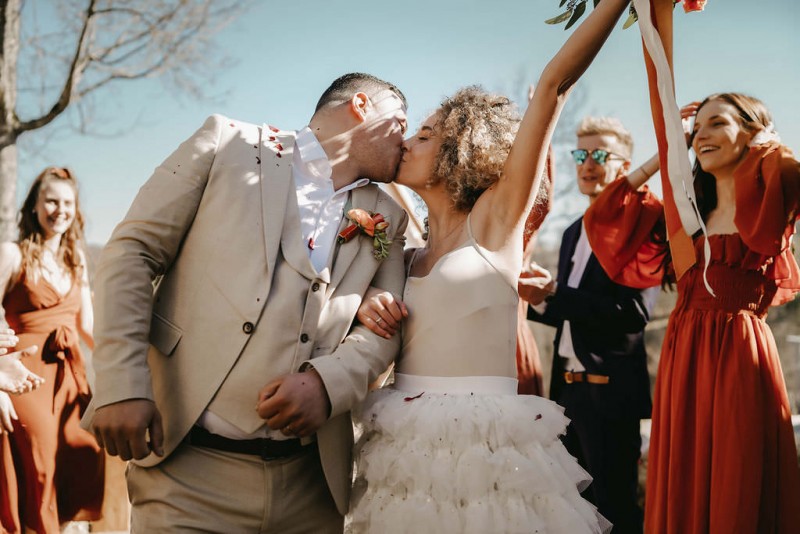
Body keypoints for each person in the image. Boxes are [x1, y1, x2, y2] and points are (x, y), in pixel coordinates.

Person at [83, 73, 410, 532]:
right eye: (401, 122)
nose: (406, 140)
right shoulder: (228, 144)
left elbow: (386, 327)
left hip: (312, 488)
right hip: (187, 476)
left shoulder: (389, 216)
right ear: (361, 105)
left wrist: (327, 384)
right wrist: (123, 384)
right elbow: (133, 252)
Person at [347, 1, 630, 531]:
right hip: (404, 453)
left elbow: (553, 85)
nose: (408, 143)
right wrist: (365, 303)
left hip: (485, 451)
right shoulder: (400, 250)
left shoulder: (496, 223)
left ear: (463, 150)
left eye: (424, 135)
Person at [584, 93, 800, 532]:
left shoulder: (771, 203)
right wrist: (670, 148)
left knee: (737, 477)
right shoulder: (684, 219)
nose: (702, 135)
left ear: (753, 131)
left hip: (740, 355)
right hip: (682, 359)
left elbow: (790, 172)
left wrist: (768, 143)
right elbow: (606, 213)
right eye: (696, 127)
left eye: (717, 123)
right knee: (684, 478)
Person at [521, 116, 656, 533]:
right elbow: (570, 310)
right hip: (566, 394)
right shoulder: (570, 232)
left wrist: (556, 293)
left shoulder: (641, 225)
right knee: (573, 514)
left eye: (599, 154)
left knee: (615, 513)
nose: (587, 164)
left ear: (625, 165)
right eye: (580, 155)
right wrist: (537, 299)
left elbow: (633, 314)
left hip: (609, 393)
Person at [0, 167, 104, 533]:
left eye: (67, 203)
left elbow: (87, 325)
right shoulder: (11, 254)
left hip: (69, 375)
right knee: (41, 453)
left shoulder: (76, 260)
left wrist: (126, 367)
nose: (60, 210)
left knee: (85, 449)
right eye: (51, 201)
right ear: (34, 205)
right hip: (24, 377)